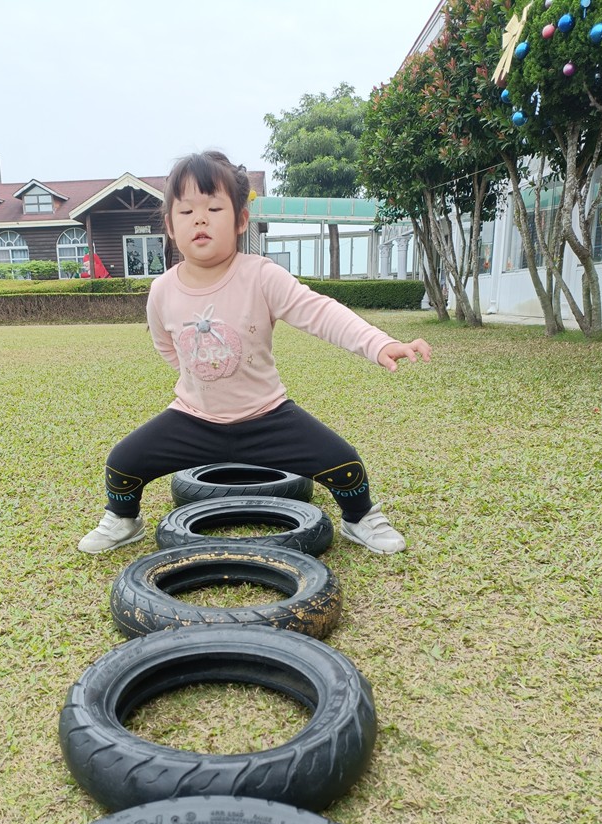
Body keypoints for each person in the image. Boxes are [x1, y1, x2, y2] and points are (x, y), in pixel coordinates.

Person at [78, 151, 431, 557]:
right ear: (171, 226)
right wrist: (199, 376)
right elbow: (166, 344)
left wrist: (379, 343)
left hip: (268, 416)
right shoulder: (162, 289)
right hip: (193, 418)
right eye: (186, 211)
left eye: (214, 208)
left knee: (346, 466)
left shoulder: (261, 275)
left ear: (241, 220)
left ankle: (360, 518)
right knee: (122, 464)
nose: (200, 219)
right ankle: (123, 519)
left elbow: (320, 313)